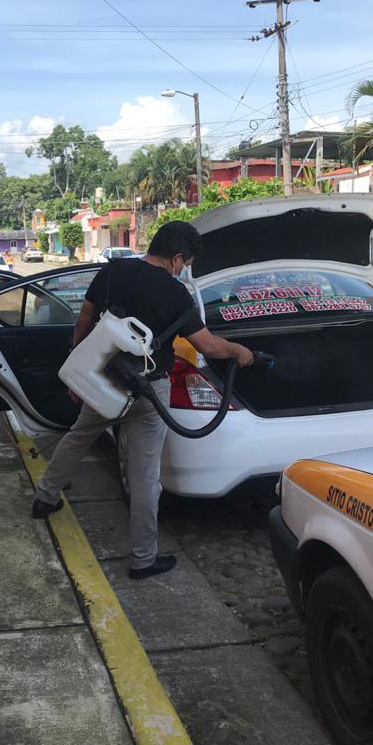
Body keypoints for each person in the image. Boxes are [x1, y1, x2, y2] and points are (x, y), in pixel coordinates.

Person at [31, 221, 254, 579]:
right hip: (148, 391)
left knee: (79, 435)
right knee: (145, 476)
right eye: (185, 263)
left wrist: (75, 370)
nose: (183, 270)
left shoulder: (114, 271)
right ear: (176, 258)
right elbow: (209, 346)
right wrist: (239, 351)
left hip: (103, 379)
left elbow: (84, 320)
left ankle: (45, 496)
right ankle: (142, 558)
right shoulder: (175, 293)